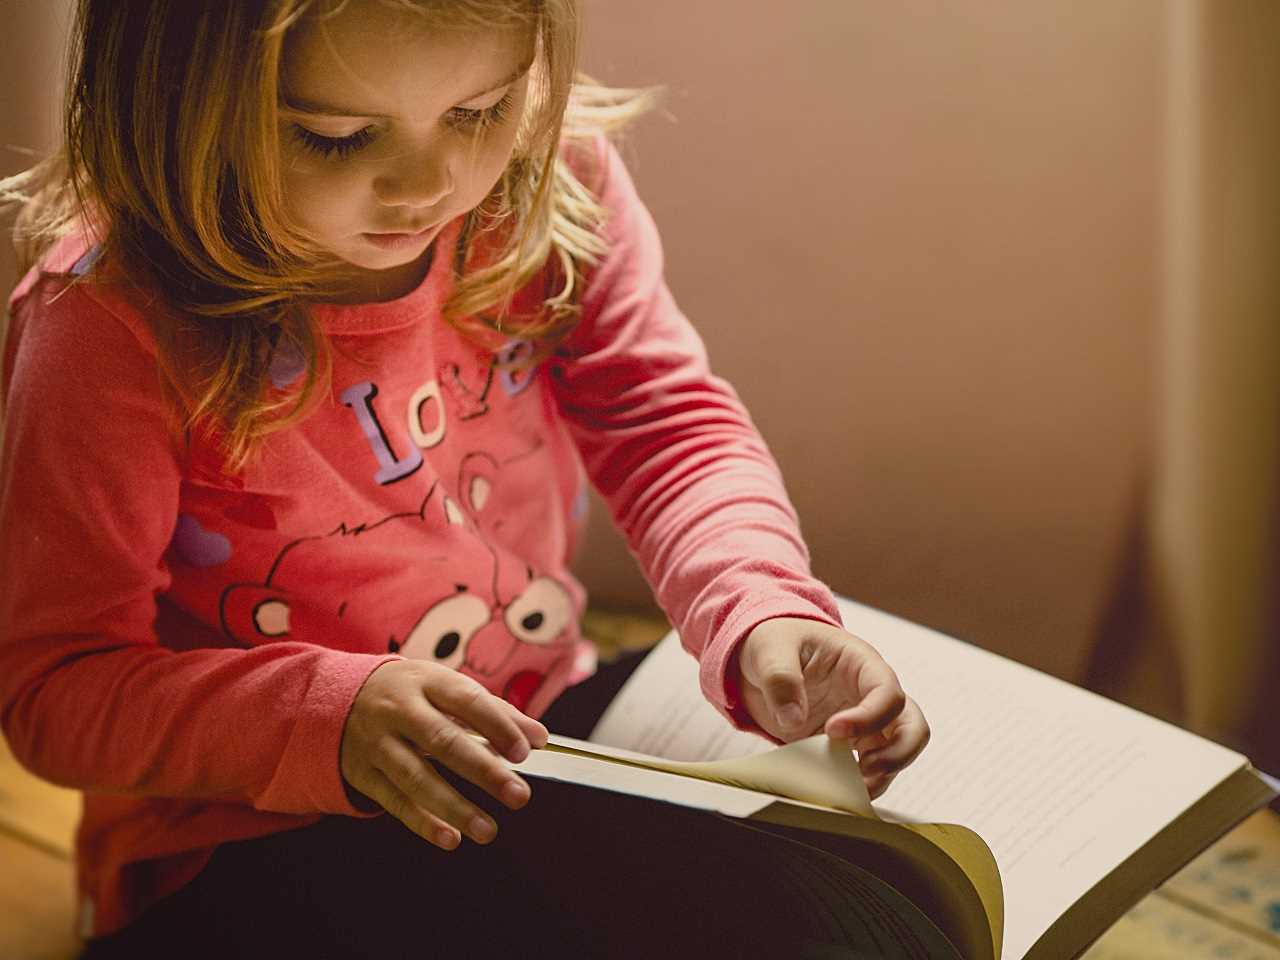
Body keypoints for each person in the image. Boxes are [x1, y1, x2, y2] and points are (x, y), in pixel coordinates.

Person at [0, 0, 930, 955]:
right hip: (245, 833)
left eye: (480, 111)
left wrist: (761, 604)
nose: (429, 183)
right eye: (334, 136)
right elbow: (54, 689)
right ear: (165, 99)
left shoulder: (546, 185)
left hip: (537, 728)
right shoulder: (107, 326)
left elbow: (665, 422)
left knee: (846, 903)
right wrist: (328, 717)